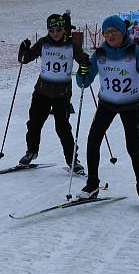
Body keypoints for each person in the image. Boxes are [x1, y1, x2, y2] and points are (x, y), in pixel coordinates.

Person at [74, 15, 139, 205]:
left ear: (122, 32)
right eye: (106, 32)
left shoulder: (135, 52)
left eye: (114, 31)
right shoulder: (99, 54)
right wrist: (81, 73)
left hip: (130, 105)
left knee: (133, 146)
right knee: (93, 140)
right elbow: (85, 82)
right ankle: (92, 185)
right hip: (106, 104)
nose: (110, 35)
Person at [18, 13, 91, 174]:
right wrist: (23, 49)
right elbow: (25, 58)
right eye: (51, 30)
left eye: (58, 29)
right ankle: (31, 151)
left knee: (63, 127)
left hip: (62, 93)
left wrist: (85, 65)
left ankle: (72, 159)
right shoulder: (43, 43)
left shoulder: (71, 45)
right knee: (34, 123)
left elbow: (84, 59)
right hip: (42, 91)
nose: (55, 33)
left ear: (63, 29)